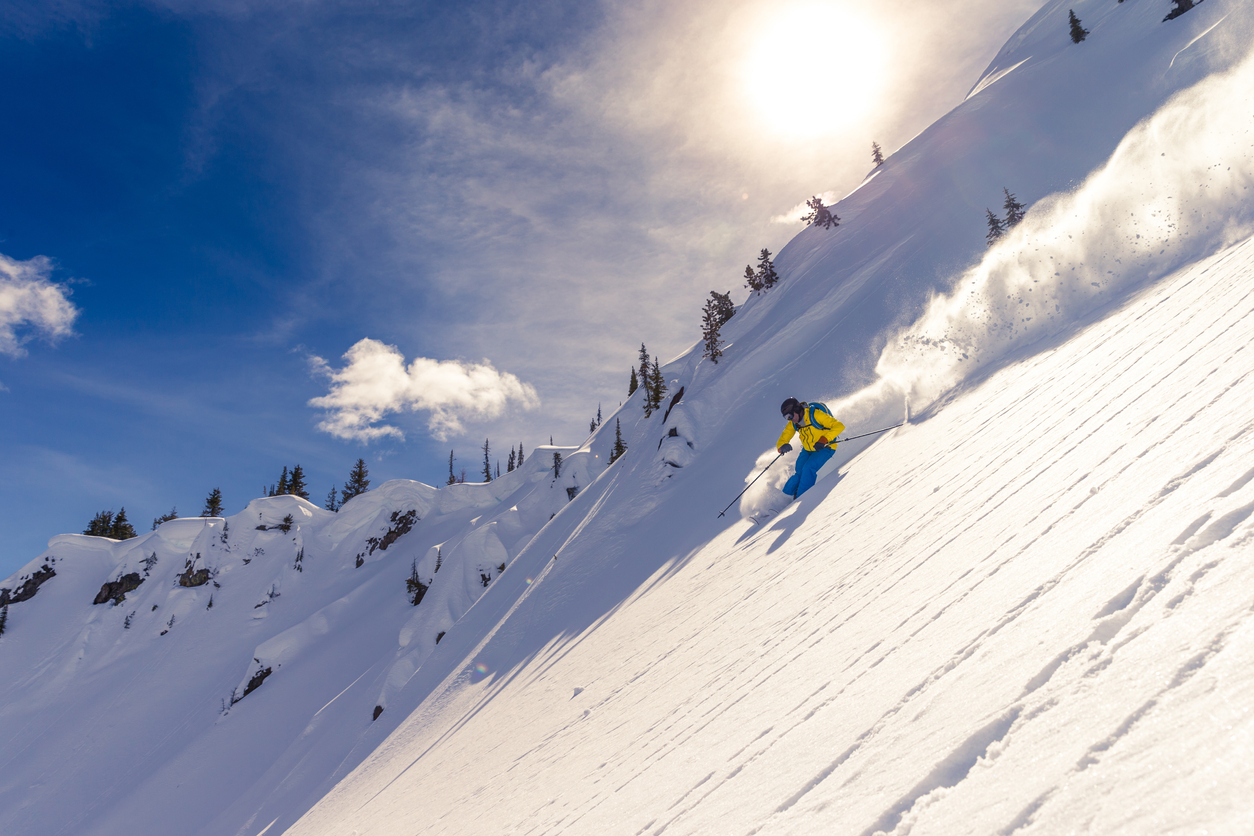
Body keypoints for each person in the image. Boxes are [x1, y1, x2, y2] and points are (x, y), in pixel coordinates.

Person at [777, 397, 845, 498]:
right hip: (807, 449)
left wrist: (824, 439)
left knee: (808, 468)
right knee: (799, 472)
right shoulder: (794, 423)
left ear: (797, 409)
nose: (790, 419)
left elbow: (839, 426)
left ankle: (801, 498)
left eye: (790, 416)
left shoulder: (815, 415)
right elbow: (784, 436)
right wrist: (782, 446)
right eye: (786, 417)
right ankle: (784, 498)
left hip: (825, 447)